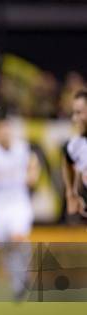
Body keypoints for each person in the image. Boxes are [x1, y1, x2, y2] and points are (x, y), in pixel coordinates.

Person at [0, 114, 40, 299]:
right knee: (5, 246)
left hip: (18, 200)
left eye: (6, 128)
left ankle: (24, 275)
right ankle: (18, 281)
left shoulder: (24, 148)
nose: (4, 132)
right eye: (0, 129)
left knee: (17, 238)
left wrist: (30, 177)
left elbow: (34, 170)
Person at [62, 90, 87, 223]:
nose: (74, 118)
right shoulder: (74, 145)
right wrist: (71, 193)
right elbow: (67, 162)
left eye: (79, 112)